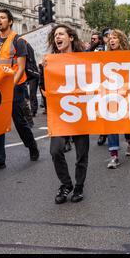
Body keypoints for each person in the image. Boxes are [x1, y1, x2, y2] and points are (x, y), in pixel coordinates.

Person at [0, 9, 39, 171]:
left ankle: (32, 146)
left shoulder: (18, 40)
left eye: (2, 18)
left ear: (10, 21)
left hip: (15, 87)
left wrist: (11, 86)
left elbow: (21, 68)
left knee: (19, 121)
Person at [45, 24, 89, 204]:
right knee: (55, 151)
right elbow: (43, 86)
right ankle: (66, 184)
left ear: (70, 37)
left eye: (61, 34)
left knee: (81, 153)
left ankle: (79, 186)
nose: (57, 37)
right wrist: (45, 70)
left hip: (81, 112)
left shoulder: (83, 58)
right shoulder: (50, 61)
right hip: (60, 113)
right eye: (55, 35)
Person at [105, 29, 130, 168]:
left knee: (127, 124)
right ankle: (114, 156)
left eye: (115, 37)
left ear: (121, 40)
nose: (111, 40)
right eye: (109, 38)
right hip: (110, 94)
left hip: (126, 93)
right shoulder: (103, 57)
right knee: (112, 123)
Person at [95, 28, 112, 146]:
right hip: (102, 84)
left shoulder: (119, 49)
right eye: (107, 35)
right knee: (102, 109)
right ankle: (103, 133)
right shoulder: (98, 49)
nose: (109, 38)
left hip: (115, 84)